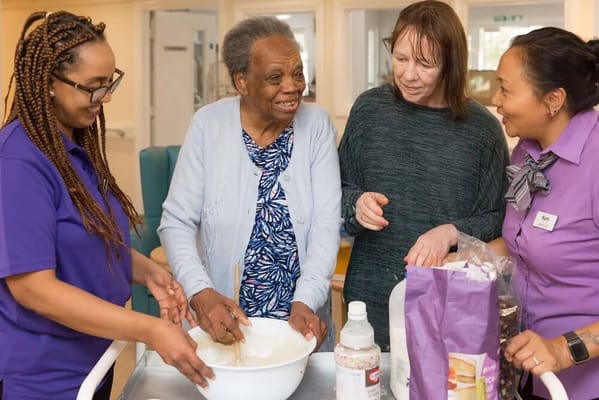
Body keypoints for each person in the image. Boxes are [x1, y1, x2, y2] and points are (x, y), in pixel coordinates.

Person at [0, 11, 213, 400]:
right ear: (49, 83)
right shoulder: (18, 163)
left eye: (110, 80)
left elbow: (87, 240)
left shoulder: (73, 147)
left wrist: (148, 271)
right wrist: (150, 328)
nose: (107, 96)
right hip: (44, 377)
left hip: (94, 360)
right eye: (95, 86)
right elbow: (34, 290)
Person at [158, 16, 341, 351]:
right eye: (275, 77)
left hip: (300, 319)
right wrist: (201, 292)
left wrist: (306, 301)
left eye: (298, 72)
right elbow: (176, 222)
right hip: (224, 317)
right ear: (242, 81)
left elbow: (326, 224)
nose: (293, 85)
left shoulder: (316, 125)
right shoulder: (208, 125)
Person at [338, 0, 509, 349]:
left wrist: (451, 232)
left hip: (451, 305)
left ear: (450, 63)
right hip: (370, 303)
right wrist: (356, 203)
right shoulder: (369, 110)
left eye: (425, 63)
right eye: (400, 59)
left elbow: (499, 219)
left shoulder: (482, 130)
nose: (408, 74)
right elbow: (337, 191)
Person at [490, 27, 599, 400]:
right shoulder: (527, 152)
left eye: (505, 89)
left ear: (553, 100)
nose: (495, 100)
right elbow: (522, 244)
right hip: (531, 373)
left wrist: (563, 349)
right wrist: (459, 255)